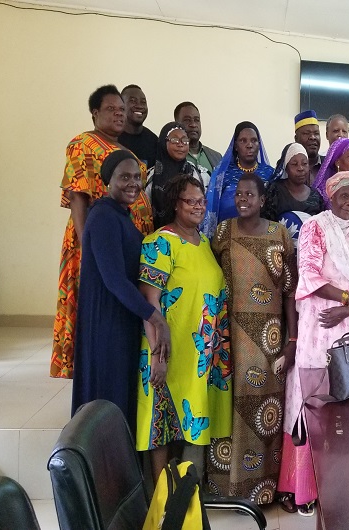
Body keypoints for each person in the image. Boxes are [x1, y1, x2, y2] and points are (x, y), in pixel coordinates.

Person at [279, 171, 349, 516]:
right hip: (320, 326)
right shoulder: (315, 227)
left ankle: (347, 481)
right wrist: (344, 300)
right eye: (343, 196)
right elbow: (308, 274)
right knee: (315, 400)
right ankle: (308, 489)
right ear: (330, 196)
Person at [206, 173, 298, 503]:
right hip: (230, 335)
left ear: (262, 200)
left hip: (271, 338)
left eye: (250, 194)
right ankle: (228, 489)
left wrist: (292, 339)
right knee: (232, 407)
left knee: (265, 410)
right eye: (239, 194)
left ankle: (263, 490)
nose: (243, 198)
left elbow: (289, 291)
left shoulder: (280, 233)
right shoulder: (223, 232)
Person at [51, 84, 153, 379]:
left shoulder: (124, 150)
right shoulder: (83, 143)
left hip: (124, 239)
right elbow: (78, 196)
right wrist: (88, 249)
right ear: (95, 113)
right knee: (97, 315)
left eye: (121, 109)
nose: (119, 114)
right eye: (111, 109)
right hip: (97, 241)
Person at [137, 174, 233, 484]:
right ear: (175, 205)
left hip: (201, 353)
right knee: (161, 425)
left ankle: (188, 496)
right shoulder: (160, 242)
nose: (199, 207)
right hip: (169, 349)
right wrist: (157, 355)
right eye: (191, 201)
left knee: (193, 421)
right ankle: (161, 501)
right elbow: (148, 303)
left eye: (202, 201)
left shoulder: (204, 242)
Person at [71, 150, 170, 430]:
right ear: (108, 181)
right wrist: (155, 317)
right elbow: (114, 279)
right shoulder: (102, 216)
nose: (133, 183)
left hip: (120, 318)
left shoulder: (120, 215)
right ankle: (100, 468)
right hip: (106, 323)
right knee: (105, 402)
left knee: (119, 400)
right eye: (124, 177)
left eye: (137, 177)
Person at [201, 121, 273, 237]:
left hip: (261, 237)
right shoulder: (222, 174)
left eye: (254, 140)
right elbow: (211, 210)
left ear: (259, 144)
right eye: (243, 141)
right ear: (235, 146)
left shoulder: (269, 173)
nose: (249, 145)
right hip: (226, 236)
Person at [146, 122, 203, 229]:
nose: (180, 144)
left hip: (189, 235)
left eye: (185, 140)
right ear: (164, 142)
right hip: (158, 236)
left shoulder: (194, 173)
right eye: (174, 140)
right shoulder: (152, 175)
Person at [264, 143, 326, 240]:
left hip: (309, 252)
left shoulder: (316, 196)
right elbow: (266, 225)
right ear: (286, 168)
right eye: (294, 164)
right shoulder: (275, 191)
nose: (300, 168)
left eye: (304, 164)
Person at [174, 101, 223, 178]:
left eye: (197, 120)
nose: (193, 124)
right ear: (176, 124)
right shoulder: (171, 156)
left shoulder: (216, 157)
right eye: (187, 120)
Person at [118, 84, 158, 168]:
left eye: (143, 102)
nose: (139, 106)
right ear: (121, 106)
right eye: (133, 101)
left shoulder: (154, 141)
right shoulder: (113, 139)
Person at [294, 110, 324, 184]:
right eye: (306, 133)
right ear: (296, 139)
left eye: (316, 133)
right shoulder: (288, 169)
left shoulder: (329, 166)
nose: (313, 137)